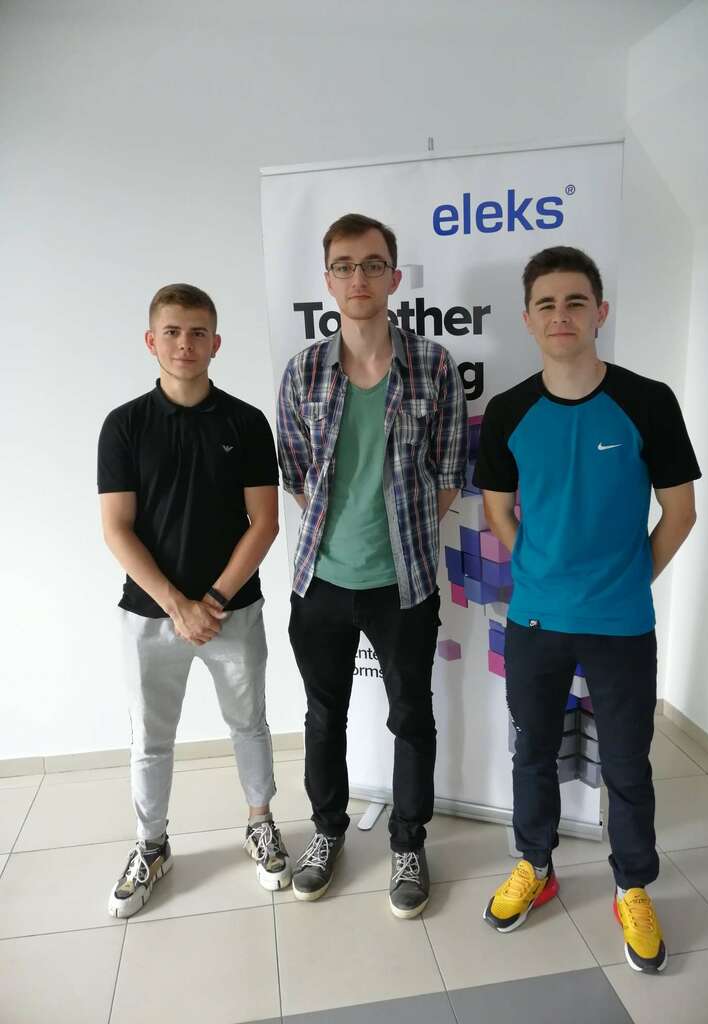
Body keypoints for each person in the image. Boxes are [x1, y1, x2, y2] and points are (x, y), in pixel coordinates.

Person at [474, 246, 700, 973]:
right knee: (532, 753)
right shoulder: (509, 411)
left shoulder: (648, 401)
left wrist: (628, 579)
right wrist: (542, 570)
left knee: (628, 763)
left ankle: (632, 885)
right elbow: (498, 510)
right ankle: (535, 866)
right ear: (528, 319)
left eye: (576, 302)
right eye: (546, 304)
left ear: (600, 312)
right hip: (535, 620)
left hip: (621, 623)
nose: (561, 315)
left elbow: (680, 512)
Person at [277, 213, 467, 918]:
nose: (359, 277)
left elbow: (448, 474)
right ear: (328, 280)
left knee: (411, 716)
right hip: (320, 583)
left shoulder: (434, 366)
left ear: (394, 276)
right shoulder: (302, 371)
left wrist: (400, 535)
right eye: (345, 266)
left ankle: (408, 843)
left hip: (404, 586)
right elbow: (297, 474)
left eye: (373, 264)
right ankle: (327, 833)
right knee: (324, 717)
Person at [98, 283, 288, 918]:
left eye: (198, 332)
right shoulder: (124, 426)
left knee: (249, 724)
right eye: (173, 332)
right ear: (152, 341)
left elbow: (264, 523)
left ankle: (260, 822)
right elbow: (116, 528)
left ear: (216, 342)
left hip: (234, 609)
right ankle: (151, 846)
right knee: (151, 738)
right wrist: (178, 605)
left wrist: (210, 599)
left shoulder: (246, 422)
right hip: (148, 614)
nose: (186, 344)